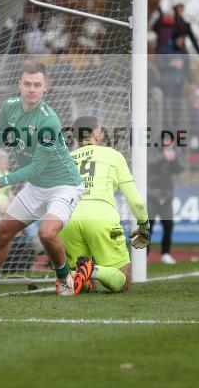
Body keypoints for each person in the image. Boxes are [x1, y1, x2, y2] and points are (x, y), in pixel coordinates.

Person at [0, 60, 85, 296]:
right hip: (36, 187)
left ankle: (65, 280)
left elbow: (36, 167)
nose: (32, 89)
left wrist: (0, 182)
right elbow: (2, 139)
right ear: (19, 84)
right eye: (27, 84)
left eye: (37, 85)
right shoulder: (9, 107)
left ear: (46, 87)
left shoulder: (49, 121)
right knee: (2, 233)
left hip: (63, 186)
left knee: (46, 233)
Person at [59, 116, 150, 294]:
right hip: (100, 217)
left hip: (68, 219)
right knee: (124, 284)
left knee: (81, 286)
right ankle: (92, 269)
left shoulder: (65, 160)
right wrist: (144, 226)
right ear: (98, 135)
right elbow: (137, 202)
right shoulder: (113, 156)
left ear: (76, 139)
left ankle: (77, 274)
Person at [148, 131, 183, 264]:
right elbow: (150, 164)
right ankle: (144, 253)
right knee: (148, 226)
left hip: (167, 195)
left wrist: (174, 159)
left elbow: (179, 169)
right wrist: (164, 157)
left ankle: (166, 253)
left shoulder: (174, 153)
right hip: (152, 194)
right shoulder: (154, 151)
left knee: (168, 225)